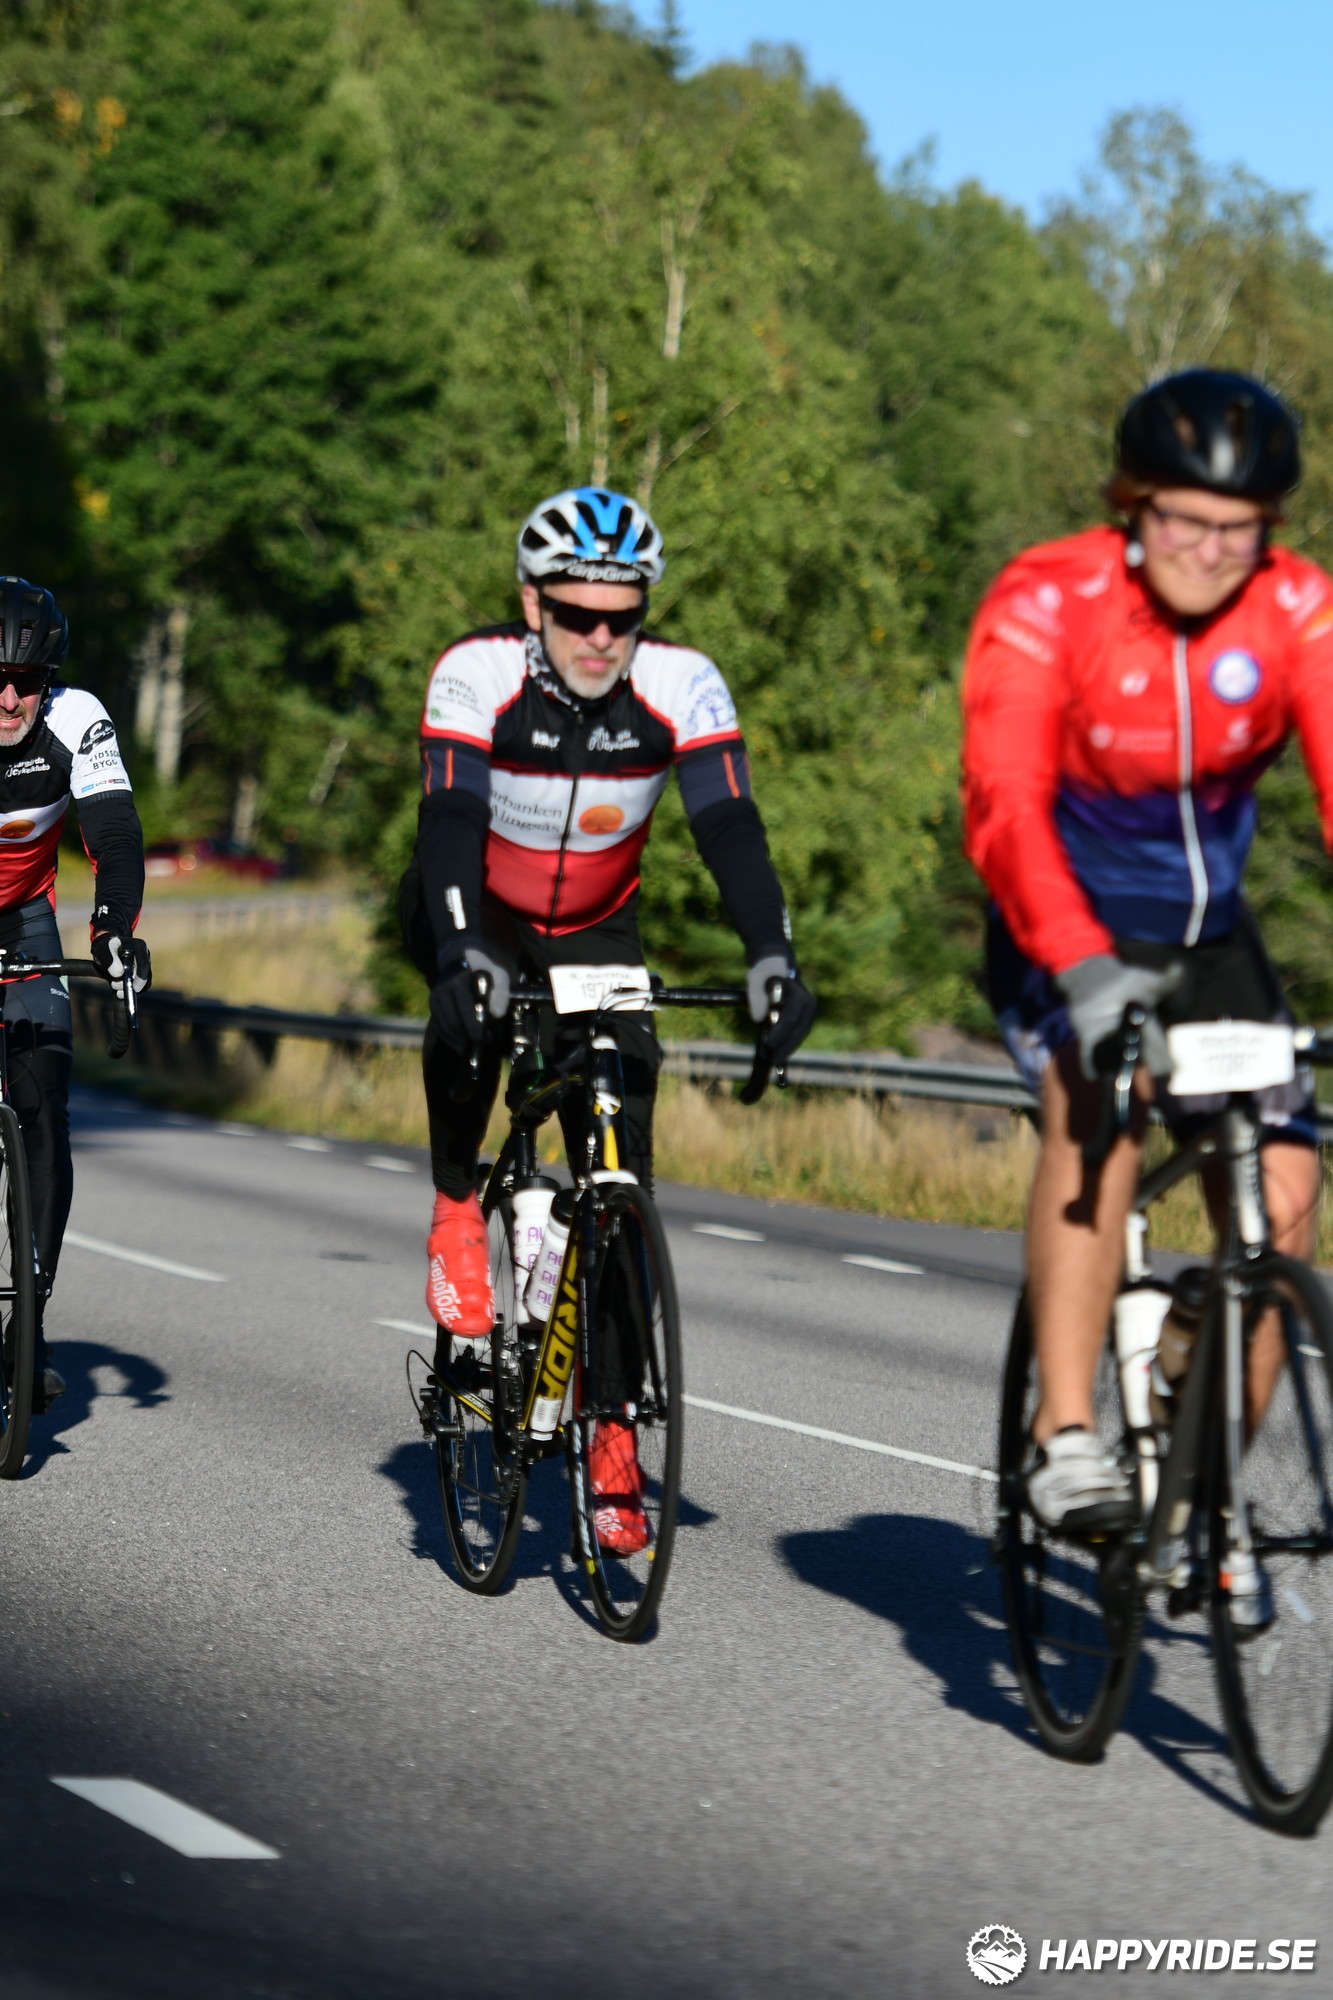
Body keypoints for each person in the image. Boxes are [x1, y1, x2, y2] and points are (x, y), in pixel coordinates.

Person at [962, 369, 1330, 1617]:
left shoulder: (1295, 607)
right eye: (1181, 520)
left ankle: (1202, 1477)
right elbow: (1004, 802)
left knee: (1283, 1196)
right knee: (1099, 1104)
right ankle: (1065, 1432)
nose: (1208, 553)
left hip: (1207, 935)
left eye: (1237, 529)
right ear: (1130, 505)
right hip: (1059, 920)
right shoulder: (1047, 599)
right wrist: (1079, 968)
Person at [403, 487, 815, 1551]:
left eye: (621, 617)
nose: (600, 637)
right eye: (577, 614)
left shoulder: (681, 684)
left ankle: (614, 1430)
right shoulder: (476, 672)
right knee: (471, 1016)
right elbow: (449, 815)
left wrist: (770, 954)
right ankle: (456, 1204)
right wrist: (461, 950)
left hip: (596, 930)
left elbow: (730, 825)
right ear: (531, 603)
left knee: (619, 1176)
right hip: (481, 907)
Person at [0, 578, 150, 1411]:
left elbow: (115, 833)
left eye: (27, 680)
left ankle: (27, 1322)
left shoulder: (75, 717)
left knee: (45, 1103)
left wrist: (112, 928)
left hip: (22, 915)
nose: (10, 699)